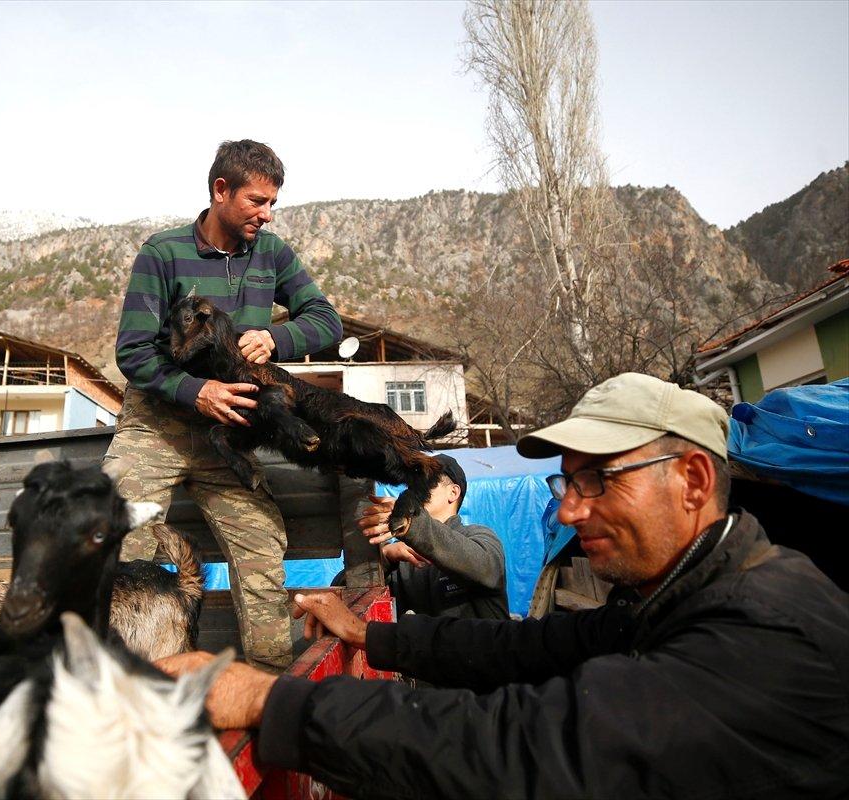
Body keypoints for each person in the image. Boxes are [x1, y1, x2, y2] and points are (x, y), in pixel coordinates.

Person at [160, 372, 849, 797]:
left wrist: (268, 699)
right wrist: (372, 634)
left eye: (596, 481)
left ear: (693, 480)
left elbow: (522, 746)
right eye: (567, 484)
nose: (569, 512)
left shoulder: (764, 630)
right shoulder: (675, 597)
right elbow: (526, 647)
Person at [105, 140, 342, 671]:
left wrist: (277, 337)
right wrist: (197, 391)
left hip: (229, 437)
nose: (267, 213)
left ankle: (267, 687)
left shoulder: (272, 254)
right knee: (117, 540)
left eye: (272, 202)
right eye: (257, 201)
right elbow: (133, 351)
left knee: (261, 547)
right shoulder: (162, 253)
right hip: (156, 428)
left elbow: (327, 320)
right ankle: (120, 682)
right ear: (220, 190)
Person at [359, 453, 508, 620]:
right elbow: (349, 597)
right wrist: (385, 557)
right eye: (412, 484)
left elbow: (485, 568)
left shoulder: (479, 536)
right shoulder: (401, 556)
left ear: (453, 492)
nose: (414, 491)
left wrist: (412, 524)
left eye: (426, 483)